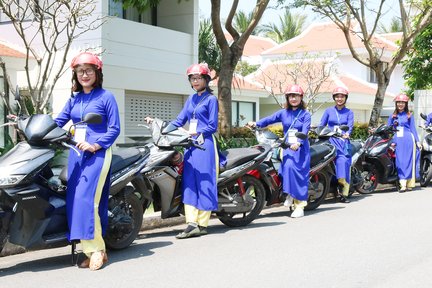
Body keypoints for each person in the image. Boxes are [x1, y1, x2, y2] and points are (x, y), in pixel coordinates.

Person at [54, 52, 120, 270]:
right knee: (75, 201)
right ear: (75, 74)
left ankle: (98, 250)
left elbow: (114, 128)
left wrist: (96, 144)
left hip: (97, 153)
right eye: (80, 71)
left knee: (86, 200)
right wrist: (32, 125)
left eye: (89, 70)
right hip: (76, 153)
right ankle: (89, 249)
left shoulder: (106, 97)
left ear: (97, 73)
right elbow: (58, 122)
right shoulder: (75, 98)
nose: (84, 75)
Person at [162, 63, 220, 239]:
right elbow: (179, 120)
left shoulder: (211, 100)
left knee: (204, 181)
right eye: (192, 79)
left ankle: (202, 224)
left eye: (198, 78)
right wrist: (162, 128)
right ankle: (191, 223)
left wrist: (198, 132)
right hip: (190, 144)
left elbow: (212, 125)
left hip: (205, 144)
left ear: (206, 80)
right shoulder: (191, 99)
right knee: (189, 182)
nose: (195, 81)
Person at [248, 84, 311, 218]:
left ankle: (300, 206)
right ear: (287, 98)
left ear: (301, 97)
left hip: (300, 148)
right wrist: (256, 123)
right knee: (283, 169)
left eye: (296, 96)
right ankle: (289, 193)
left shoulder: (305, 114)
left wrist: (298, 142)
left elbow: (305, 131)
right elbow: (270, 119)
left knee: (298, 174)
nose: (293, 99)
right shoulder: (283, 113)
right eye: (290, 96)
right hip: (287, 146)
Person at [320, 86, 354, 203]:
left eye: (342, 96)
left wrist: (347, 134)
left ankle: (344, 191)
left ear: (345, 98)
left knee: (343, 161)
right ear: (334, 98)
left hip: (343, 141)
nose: (339, 98)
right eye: (337, 96)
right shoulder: (328, 111)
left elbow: (349, 126)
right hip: (330, 141)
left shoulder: (349, 112)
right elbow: (321, 125)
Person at [387, 93, 421, 192]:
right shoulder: (392, 116)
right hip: (397, 140)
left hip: (408, 139)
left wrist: (418, 141)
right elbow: (389, 130)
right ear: (396, 104)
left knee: (409, 161)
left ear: (406, 104)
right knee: (400, 162)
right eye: (399, 102)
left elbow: (413, 129)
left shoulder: (409, 115)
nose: (400, 104)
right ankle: (403, 183)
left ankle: (407, 184)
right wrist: (390, 141)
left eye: (403, 102)